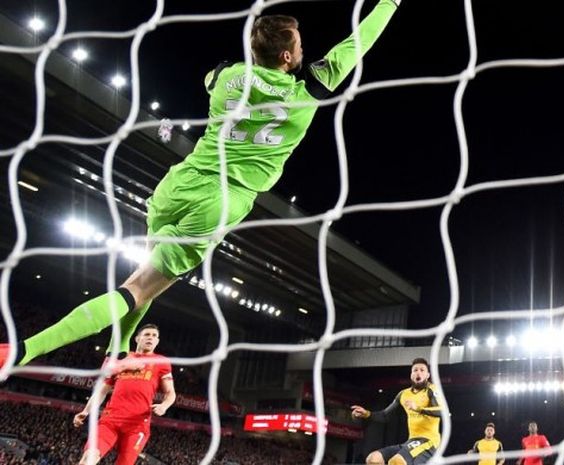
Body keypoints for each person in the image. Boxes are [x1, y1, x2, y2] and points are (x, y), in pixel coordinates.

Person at [0, 0, 402, 370]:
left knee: (145, 281)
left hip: (177, 186)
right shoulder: (310, 88)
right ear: (286, 56)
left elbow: (213, 75)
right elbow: (359, 41)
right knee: (138, 287)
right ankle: (24, 349)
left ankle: (116, 353)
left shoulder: (226, 75)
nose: (302, 50)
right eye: (297, 45)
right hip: (220, 202)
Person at [73, 324, 176, 465]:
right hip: (110, 420)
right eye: (147, 334)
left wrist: (164, 406)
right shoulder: (122, 359)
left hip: (137, 425)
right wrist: (86, 411)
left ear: (157, 341)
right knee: (89, 457)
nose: (151, 338)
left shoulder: (161, 362)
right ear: (137, 338)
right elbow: (102, 390)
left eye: (154, 336)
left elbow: (170, 393)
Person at [351, 357, 442, 465]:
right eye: (415, 370)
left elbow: (441, 411)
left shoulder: (432, 390)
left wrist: (418, 408)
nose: (418, 373)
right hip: (411, 442)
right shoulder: (403, 394)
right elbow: (385, 415)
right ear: (411, 374)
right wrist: (367, 414)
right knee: (373, 459)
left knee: (396, 461)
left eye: (422, 370)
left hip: (429, 441)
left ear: (428, 375)